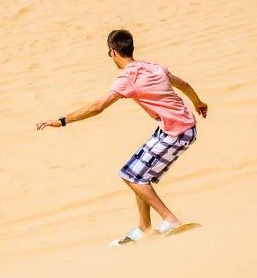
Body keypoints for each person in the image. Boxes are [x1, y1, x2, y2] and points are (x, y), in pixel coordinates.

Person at [36, 29, 208, 245]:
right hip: (177, 127)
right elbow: (182, 84)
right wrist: (198, 102)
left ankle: (170, 220)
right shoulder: (153, 67)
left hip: (177, 132)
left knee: (131, 176)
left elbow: (98, 107)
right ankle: (145, 227)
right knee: (136, 172)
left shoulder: (128, 78)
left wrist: (61, 121)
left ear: (112, 52)